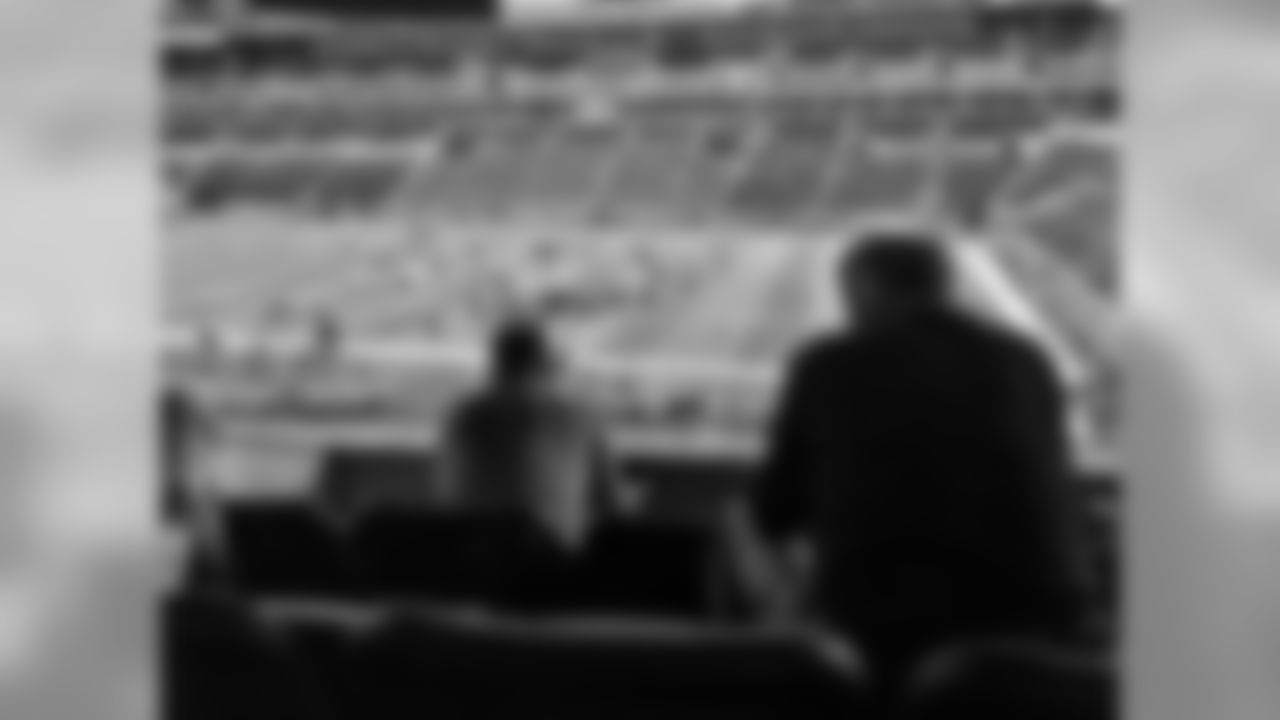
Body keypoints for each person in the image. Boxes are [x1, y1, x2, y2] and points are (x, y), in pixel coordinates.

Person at [738, 233, 1099, 703]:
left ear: (862, 289)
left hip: (882, 630)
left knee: (740, 524)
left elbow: (776, 510)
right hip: (1049, 625)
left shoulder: (830, 361)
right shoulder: (1026, 359)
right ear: (945, 287)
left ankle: (764, 674)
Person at [434, 318, 644, 610]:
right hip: (551, 571)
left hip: (470, 568)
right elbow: (613, 503)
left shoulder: (464, 413)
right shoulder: (578, 412)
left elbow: (446, 494)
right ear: (544, 363)